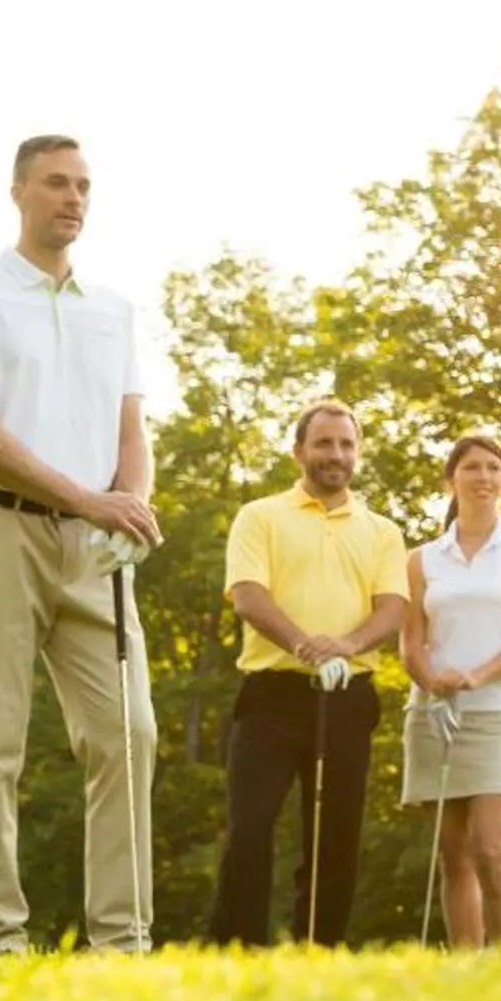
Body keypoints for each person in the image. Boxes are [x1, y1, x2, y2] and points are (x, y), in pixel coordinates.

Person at [0, 134, 165, 954]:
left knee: (129, 735)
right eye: (57, 184)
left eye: (84, 186)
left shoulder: (113, 309)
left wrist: (128, 500)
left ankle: (122, 942)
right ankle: (0, 940)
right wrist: (91, 498)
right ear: (19, 191)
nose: (73, 199)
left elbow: (132, 427)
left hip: (93, 547)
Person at [207, 399, 408, 946]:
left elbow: (392, 609)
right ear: (299, 451)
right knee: (249, 830)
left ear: (357, 454)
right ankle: (235, 951)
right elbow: (248, 597)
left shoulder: (383, 530)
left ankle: (318, 952)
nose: (335, 455)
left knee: (335, 838)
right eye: (323, 443)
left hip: (348, 698)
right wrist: (305, 645)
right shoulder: (260, 516)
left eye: (346, 445)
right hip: (270, 697)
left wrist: (343, 647)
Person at [400, 434, 501, 948]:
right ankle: (465, 968)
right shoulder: (422, 559)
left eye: (493, 467)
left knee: (490, 847)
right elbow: (411, 643)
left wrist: (474, 678)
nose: (483, 476)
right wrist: (432, 684)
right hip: (433, 715)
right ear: (452, 480)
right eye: (472, 467)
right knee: (454, 854)